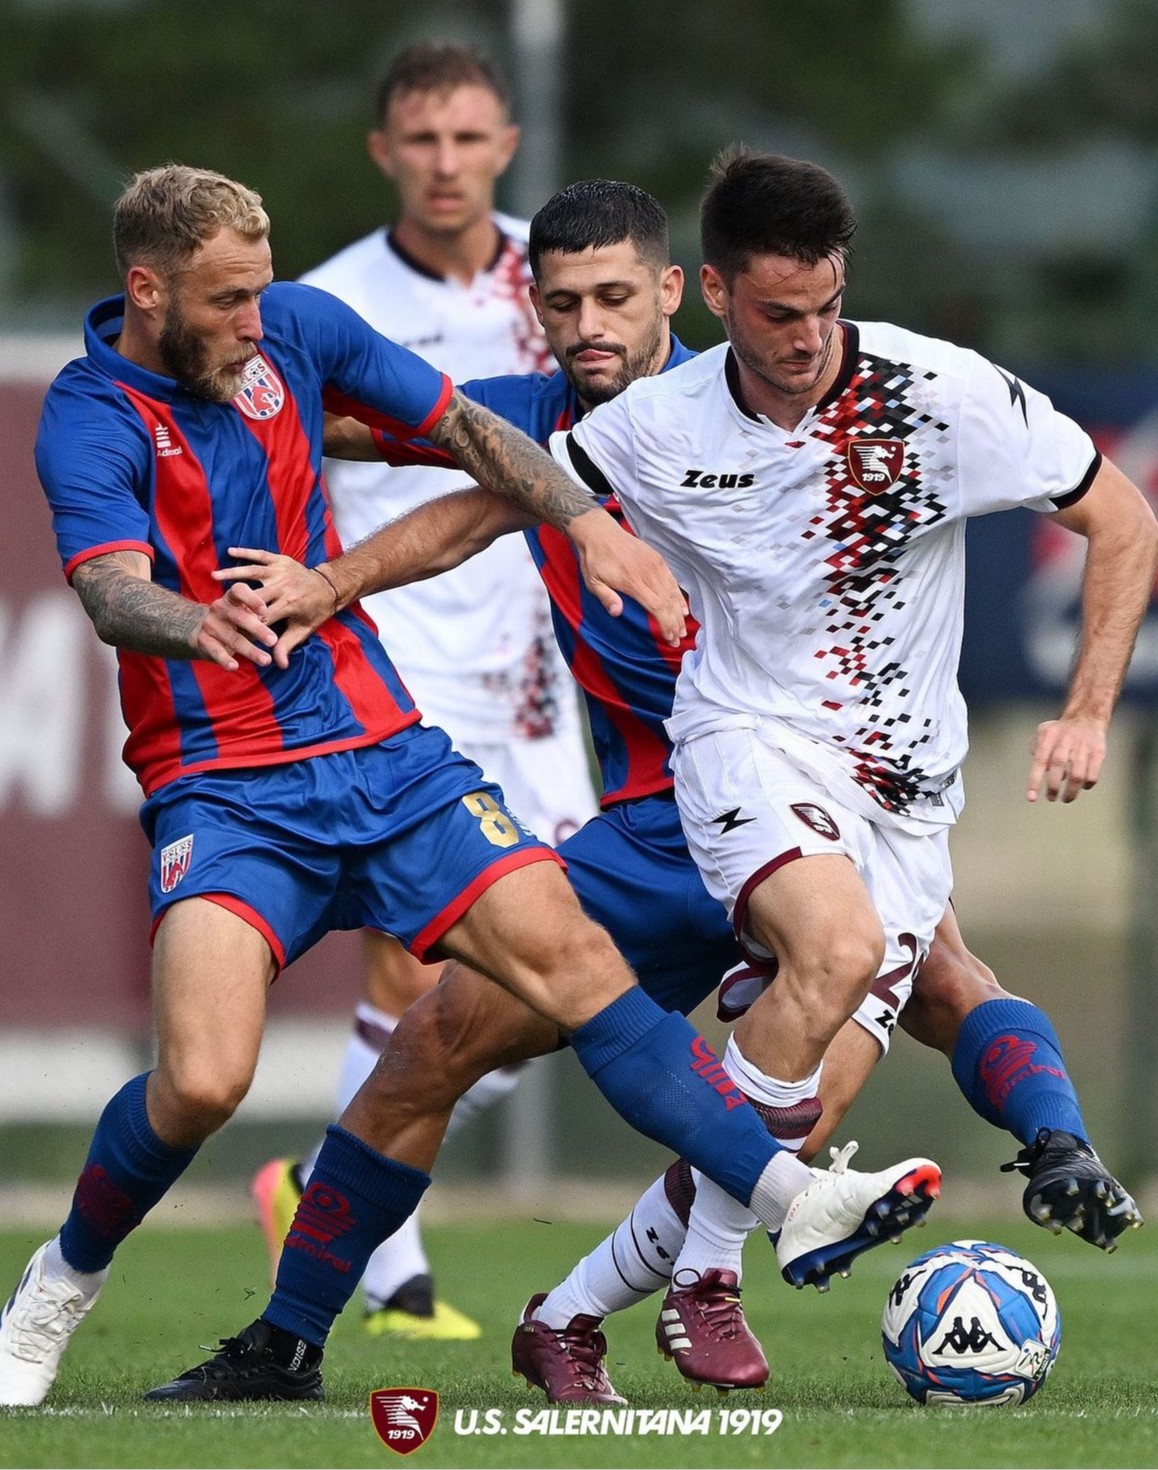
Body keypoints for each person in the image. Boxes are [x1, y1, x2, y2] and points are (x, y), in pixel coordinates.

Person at [0, 163, 932, 1412]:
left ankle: (790, 1200)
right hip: (224, 788)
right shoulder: (90, 413)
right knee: (206, 1081)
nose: (255, 323)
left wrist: (588, 524)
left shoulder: (295, 331)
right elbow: (109, 590)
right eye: (227, 301)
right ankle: (62, 1279)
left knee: (576, 964)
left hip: (385, 756)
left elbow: (464, 430)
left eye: (262, 294)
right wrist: (195, 623)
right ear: (147, 291)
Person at [197, 177, 1140, 1403]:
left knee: (884, 1015)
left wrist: (1079, 710)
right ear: (535, 308)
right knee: (437, 1043)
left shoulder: (791, 395)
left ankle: (633, 1293)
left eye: (612, 297)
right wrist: (222, 387)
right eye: (562, 303)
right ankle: (286, 1344)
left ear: (675, 293)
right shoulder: (550, 427)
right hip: (661, 820)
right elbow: (387, 448)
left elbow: (1108, 516)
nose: (588, 326)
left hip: (821, 792)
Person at [251, 39, 598, 1344]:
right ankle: (377, 1248)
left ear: (506, 144)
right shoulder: (330, 301)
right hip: (398, 661)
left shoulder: (551, 275)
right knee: (421, 957)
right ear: (383, 152)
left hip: (538, 669)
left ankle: (324, 1178)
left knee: (580, 966)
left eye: (468, 138)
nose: (445, 163)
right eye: (422, 139)